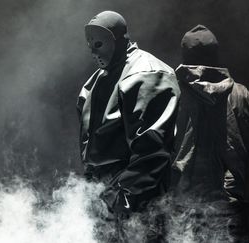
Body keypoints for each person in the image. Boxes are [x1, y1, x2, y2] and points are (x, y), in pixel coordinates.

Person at [77, 11, 180, 242]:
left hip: (135, 198)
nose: (93, 51)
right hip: (107, 195)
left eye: (99, 43)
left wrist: (123, 195)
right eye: (90, 44)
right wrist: (92, 192)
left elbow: (153, 149)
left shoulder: (146, 72)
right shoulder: (95, 82)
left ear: (117, 39)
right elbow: (89, 146)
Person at [170, 25, 249, 242]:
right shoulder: (242, 94)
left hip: (184, 200)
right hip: (231, 199)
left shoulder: (173, 93)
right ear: (215, 54)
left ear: (185, 54)